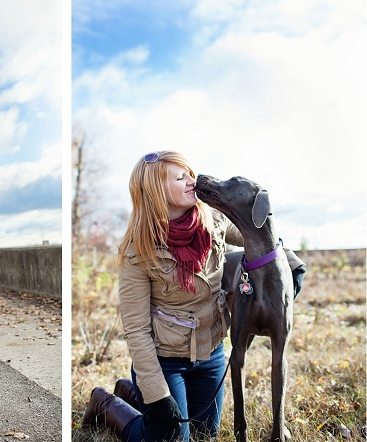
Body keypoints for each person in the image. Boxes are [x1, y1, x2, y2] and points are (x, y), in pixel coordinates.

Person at [81, 151, 306, 441]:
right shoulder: (137, 251)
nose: (192, 180)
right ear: (156, 190)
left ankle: (129, 392)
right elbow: (136, 331)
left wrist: (292, 262)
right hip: (166, 359)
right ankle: (106, 404)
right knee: (171, 436)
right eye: (180, 177)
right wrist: (158, 394)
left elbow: (258, 234)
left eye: (189, 172)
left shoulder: (212, 219)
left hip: (209, 353)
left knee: (203, 435)